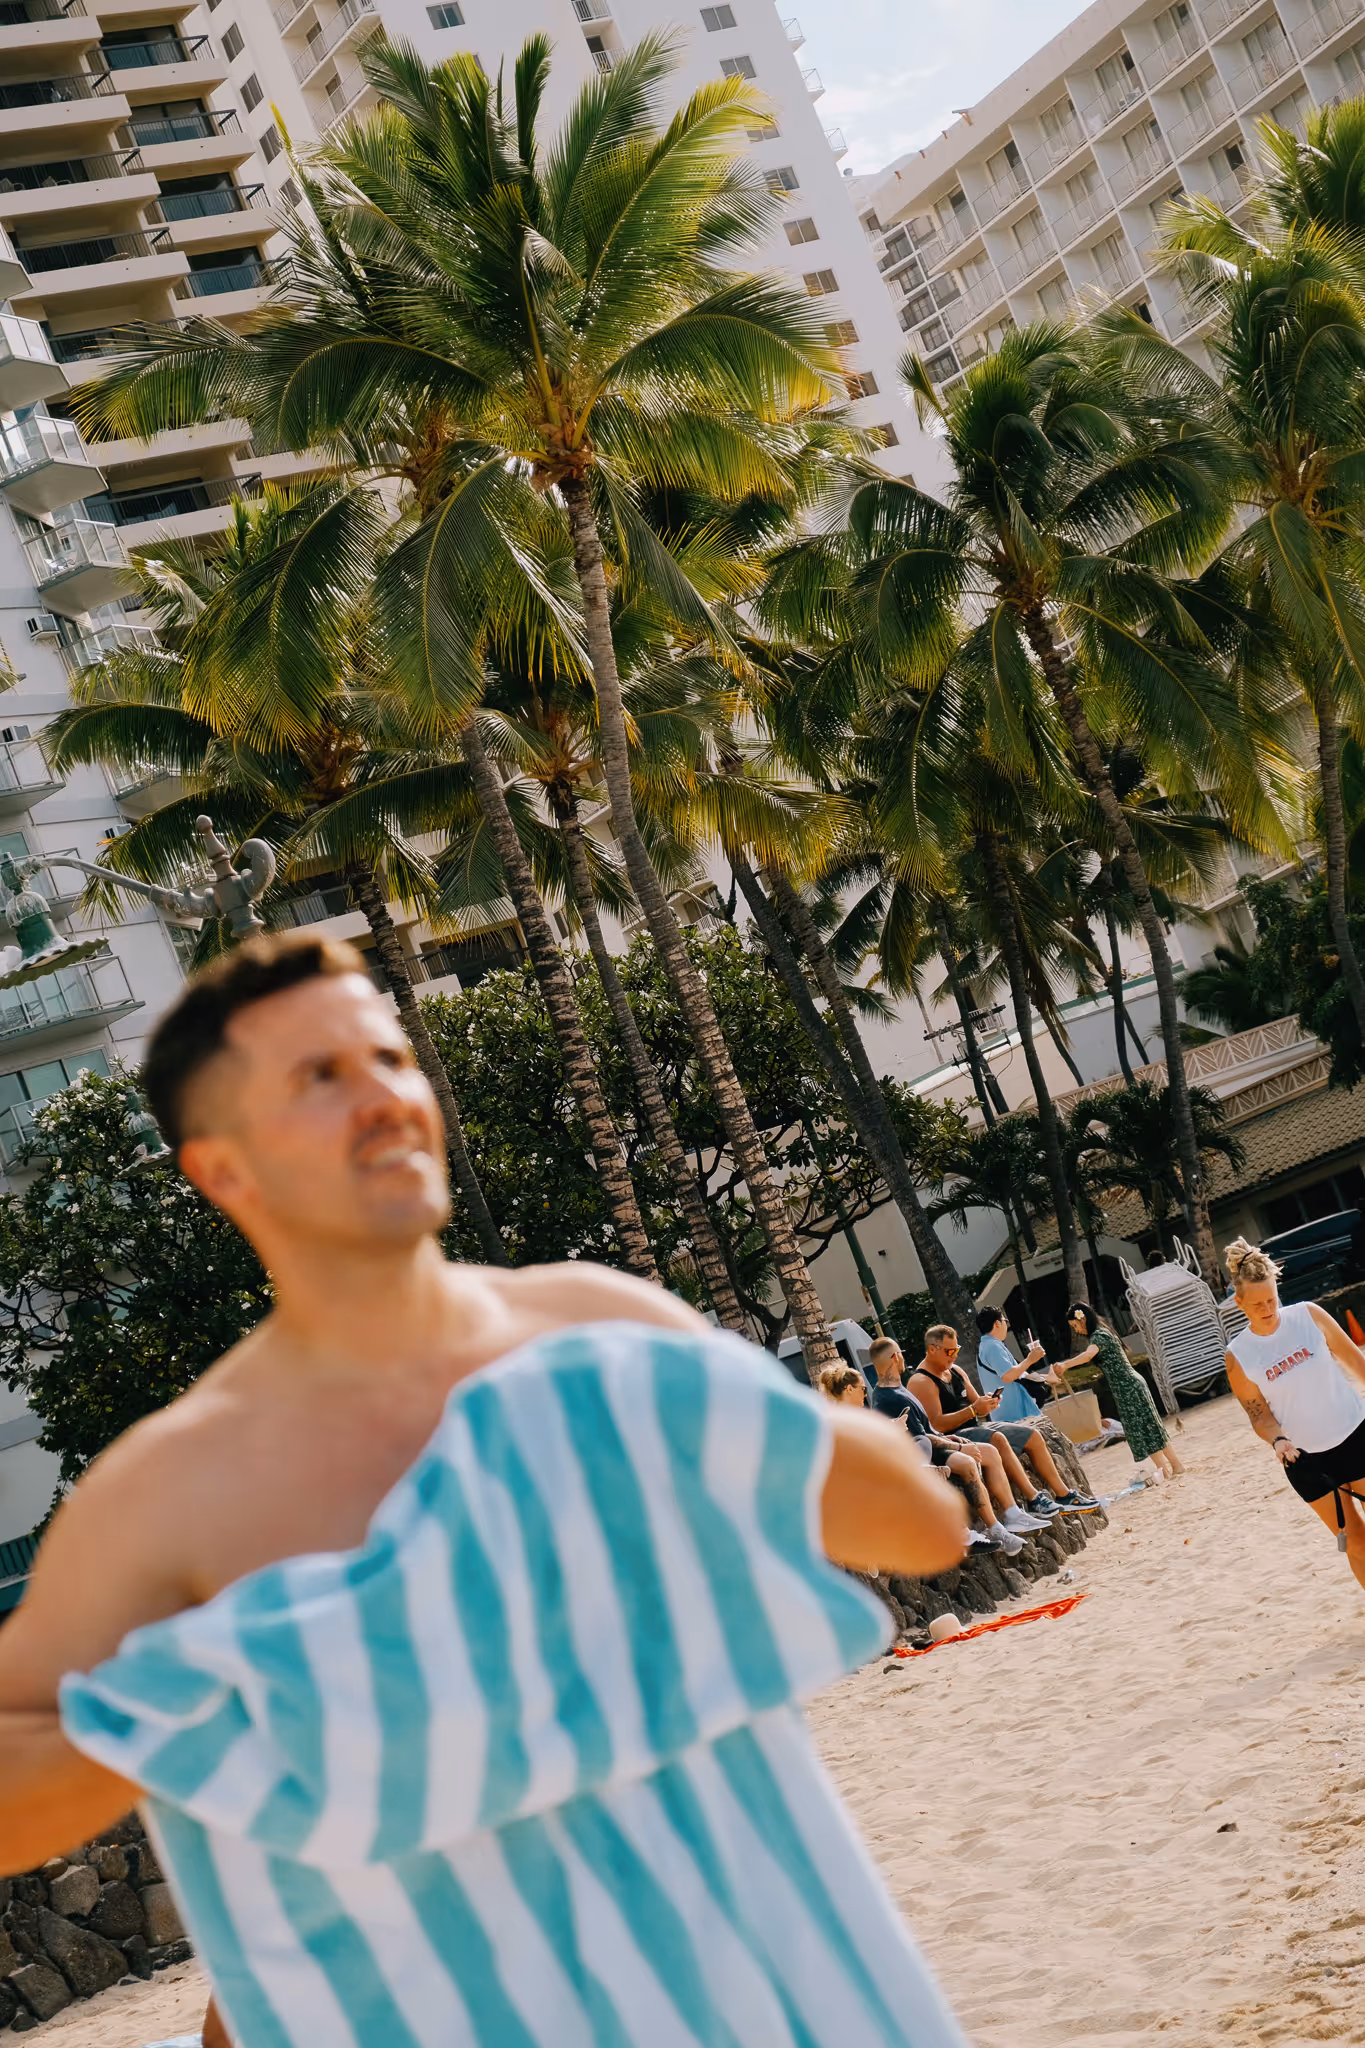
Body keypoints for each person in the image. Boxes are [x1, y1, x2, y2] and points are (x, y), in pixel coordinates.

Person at [0, 934, 974, 2048]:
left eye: (390, 1057)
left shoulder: (599, 1333)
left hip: (772, 1990)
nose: (384, 1097)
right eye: (320, 1076)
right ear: (224, 1169)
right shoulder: (174, 1485)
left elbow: (919, 1523)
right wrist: (232, 1685)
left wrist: (675, 1404)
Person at [1222, 1236, 1365, 1591]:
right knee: (1355, 1543)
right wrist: (1277, 1439)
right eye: (1258, 1304)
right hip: (1306, 1461)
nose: (1268, 1308)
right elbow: (1258, 1414)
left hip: (1355, 1432)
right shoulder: (1239, 1355)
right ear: (1239, 1303)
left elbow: (1356, 1363)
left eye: (1272, 1299)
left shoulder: (1308, 1316)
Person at [865, 1338, 1053, 1551]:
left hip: (931, 1444)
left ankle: (1012, 1515)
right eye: (901, 1353)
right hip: (921, 1455)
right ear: (895, 1357)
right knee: (967, 1462)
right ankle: (995, 1528)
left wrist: (952, 1439)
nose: (903, 1358)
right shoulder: (888, 1397)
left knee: (990, 1451)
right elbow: (920, 1439)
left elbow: (927, 1430)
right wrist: (960, 1447)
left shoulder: (897, 1388)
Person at [909, 1325, 1101, 1511]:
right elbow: (935, 1424)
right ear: (932, 1349)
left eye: (956, 1349)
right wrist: (974, 1411)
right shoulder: (921, 1381)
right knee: (998, 1439)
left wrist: (988, 1403)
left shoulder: (956, 1371)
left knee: (1033, 1436)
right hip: (954, 1437)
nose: (955, 1355)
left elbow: (978, 1405)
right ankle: (1034, 1498)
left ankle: (1064, 1494)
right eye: (950, 1352)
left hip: (975, 1426)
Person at [1053, 1302, 1184, 1481]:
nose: (1076, 1330)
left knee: (1145, 1430)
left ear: (1083, 1320)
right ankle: (1172, 1468)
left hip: (1127, 1387)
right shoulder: (1104, 1331)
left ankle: (1170, 1469)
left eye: (1075, 1326)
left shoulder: (1098, 1336)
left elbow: (1089, 1355)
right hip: (1128, 1385)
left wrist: (1065, 1364)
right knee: (1150, 1428)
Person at [975, 1307, 1058, 1422]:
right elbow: (1008, 1375)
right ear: (997, 1323)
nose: (1006, 1325)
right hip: (1014, 1415)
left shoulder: (988, 1345)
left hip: (1011, 1414)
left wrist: (1045, 1377)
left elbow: (1017, 1375)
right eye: (1005, 1321)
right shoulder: (992, 1346)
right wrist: (1030, 1360)